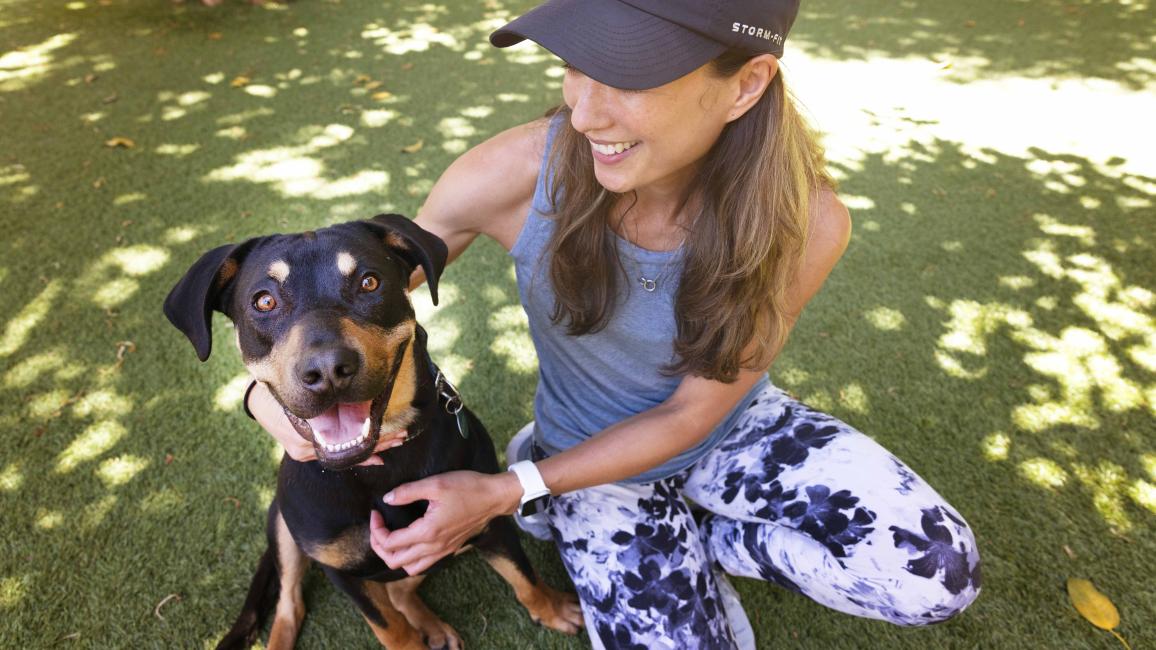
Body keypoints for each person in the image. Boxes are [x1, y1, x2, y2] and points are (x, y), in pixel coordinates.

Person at [246, 0, 983, 647]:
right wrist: (265, 397)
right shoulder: (511, 172)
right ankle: (600, 516)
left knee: (938, 575)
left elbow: (696, 410)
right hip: (586, 457)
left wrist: (511, 489)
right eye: (575, 64)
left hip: (730, 429)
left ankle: (713, 537)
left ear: (746, 84)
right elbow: (360, 303)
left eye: (630, 75)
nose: (586, 111)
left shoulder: (809, 221)